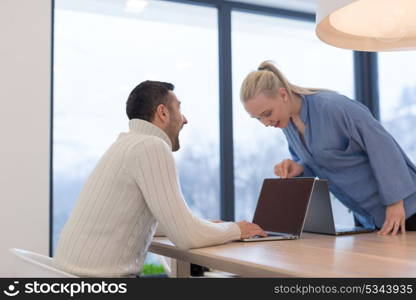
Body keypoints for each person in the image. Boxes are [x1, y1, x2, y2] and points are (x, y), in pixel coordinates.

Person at [54, 80, 266, 278]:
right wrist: (237, 229)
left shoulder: (126, 144)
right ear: (163, 112)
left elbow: (151, 222)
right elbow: (186, 236)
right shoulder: (151, 146)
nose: (184, 119)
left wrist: (203, 226)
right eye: (179, 109)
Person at [240, 60, 416, 236]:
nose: (265, 123)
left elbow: (382, 146)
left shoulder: (333, 106)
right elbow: (319, 163)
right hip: (368, 218)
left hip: (404, 209)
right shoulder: (287, 125)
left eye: (267, 114)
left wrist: (395, 202)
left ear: (283, 94)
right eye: (258, 119)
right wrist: (300, 166)